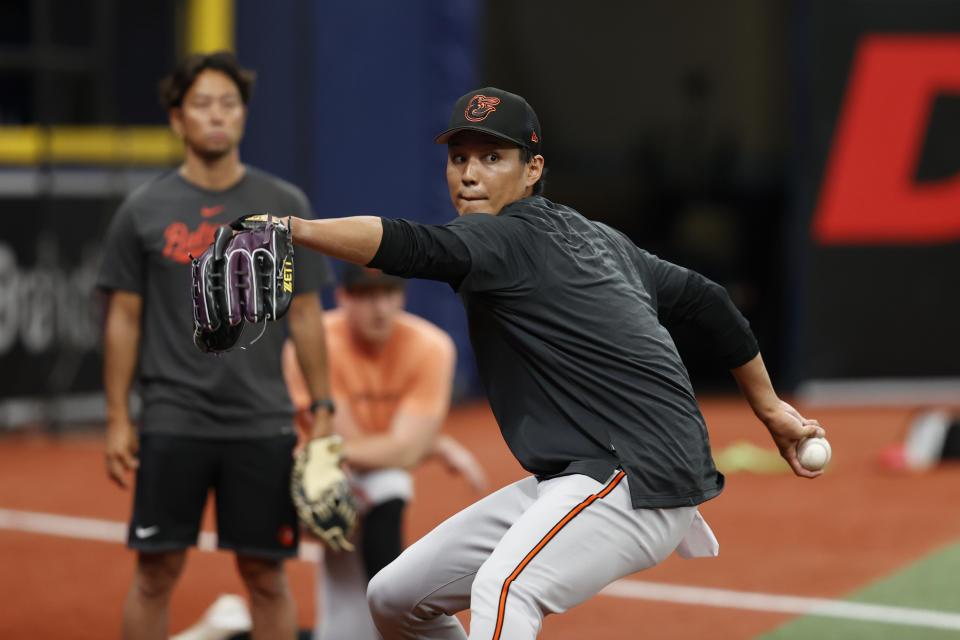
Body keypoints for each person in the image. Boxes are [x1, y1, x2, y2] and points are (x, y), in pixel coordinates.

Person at [261, 87, 826, 639]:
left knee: (505, 589)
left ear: (532, 170)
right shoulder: (601, 239)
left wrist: (294, 230)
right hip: (583, 475)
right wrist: (771, 408)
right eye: (458, 158)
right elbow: (710, 300)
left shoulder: (500, 238)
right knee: (395, 598)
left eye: (491, 157)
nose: (470, 173)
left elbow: (410, 244)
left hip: (632, 475)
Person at [98, 51, 333, 640]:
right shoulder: (142, 211)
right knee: (156, 571)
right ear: (177, 119)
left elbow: (306, 316)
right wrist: (116, 418)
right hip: (173, 417)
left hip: (261, 419)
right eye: (201, 103)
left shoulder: (285, 206)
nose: (216, 115)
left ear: (244, 116)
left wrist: (324, 410)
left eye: (228, 103)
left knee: (265, 576)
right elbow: (124, 319)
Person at [283, 263, 486, 640]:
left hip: (353, 475)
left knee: (344, 635)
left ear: (402, 297)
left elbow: (402, 451)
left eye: (388, 294)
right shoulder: (314, 342)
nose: (379, 307)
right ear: (342, 298)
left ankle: (232, 628)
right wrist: (431, 445)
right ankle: (398, 619)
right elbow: (371, 444)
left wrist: (419, 447)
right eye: (365, 296)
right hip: (302, 487)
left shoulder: (431, 346)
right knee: (388, 484)